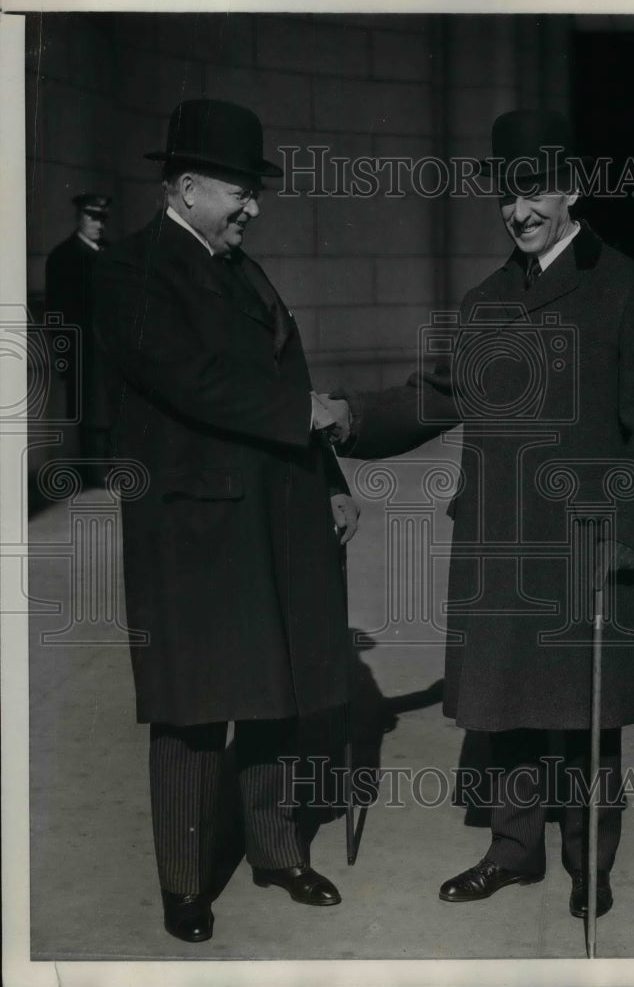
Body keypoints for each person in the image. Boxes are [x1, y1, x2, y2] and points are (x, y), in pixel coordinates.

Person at [328, 109, 634, 920]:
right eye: (506, 195)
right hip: (499, 538)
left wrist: (630, 539)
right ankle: (512, 851)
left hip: (587, 542)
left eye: (534, 191)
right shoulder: (488, 297)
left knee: (589, 714)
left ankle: (588, 864)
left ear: (572, 191)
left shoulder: (626, 289)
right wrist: (348, 417)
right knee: (511, 705)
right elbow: (440, 395)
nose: (518, 211)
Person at [92, 99, 357, 944]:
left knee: (274, 693)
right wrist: (304, 416)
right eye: (242, 190)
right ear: (189, 186)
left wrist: (330, 480)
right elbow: (190, 378)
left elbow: (292, 373)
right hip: (194, 531)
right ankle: (184, 883)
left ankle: (275, 853)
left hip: (275, 516)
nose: (254, 206)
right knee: (193, 708)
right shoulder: (133, 270)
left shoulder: (241, 267)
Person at [45, 192, 114, 485]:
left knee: (110, 408)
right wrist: (64, 357)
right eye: (92, 217)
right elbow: (56, 314)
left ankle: (109, 469)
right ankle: (94, 474)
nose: (98, 224)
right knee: (88, 412)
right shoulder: (63, 257)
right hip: (82, 352)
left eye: (102, 218)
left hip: (110, 350)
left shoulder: (111, 254)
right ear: (79, 217)